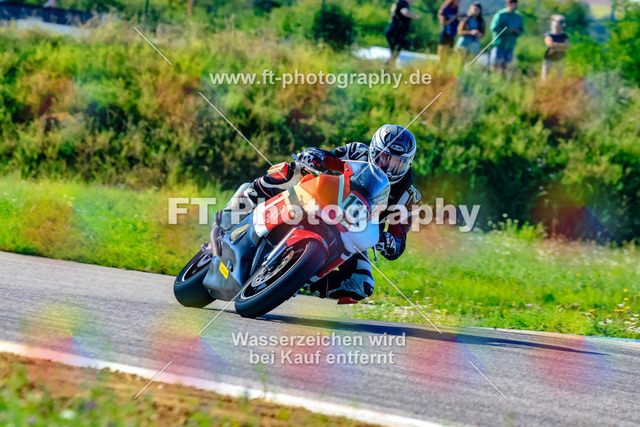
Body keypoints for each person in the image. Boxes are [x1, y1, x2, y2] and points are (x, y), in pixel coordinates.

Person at [220, 125, 422, 302]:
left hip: (354, 232)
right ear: (373, 150)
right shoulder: (357, 151)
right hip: (324, 200)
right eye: (385, 157)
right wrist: (314, 156)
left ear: (409, 163)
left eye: (399, 162)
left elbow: (399, 241)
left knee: (362, 284)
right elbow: (328, 157)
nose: (390, 167)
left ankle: (299, 281)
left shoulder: (409, 197)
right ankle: (233, 212)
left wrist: (388, 242)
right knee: (291, 170)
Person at [489, 0, 524, 74]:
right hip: (499, 45)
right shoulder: (501, 14)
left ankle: (502, 79)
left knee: (505, 66)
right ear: (509, 3)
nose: (516, 5)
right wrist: (508, 31)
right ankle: (492, 77)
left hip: (510, 46)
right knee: (495, 65)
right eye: (514, 3)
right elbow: (493, 28)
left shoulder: (518, 16)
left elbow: (521, 30)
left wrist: (516, 32)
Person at [385, 0, 420, 68]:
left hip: (392, 31)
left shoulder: (398, 3)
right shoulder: (403, 3)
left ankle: (388, 67)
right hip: (396, 32)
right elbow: (404, 12)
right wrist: (415, 16)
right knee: (396, 51)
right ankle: (387, 67)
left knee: (395, 51)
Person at [542, 15, 570, 80]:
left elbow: (568, 46)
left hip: (560, 59)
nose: (561, 26)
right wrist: (562, 46)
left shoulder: (564, 35)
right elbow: (550, 44)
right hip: (549, 58)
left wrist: (555, 46)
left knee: (558, 79)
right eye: (560, 23)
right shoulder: (548, 34)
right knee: (546, 78)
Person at [437, 0, 463, 64]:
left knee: (447, 59)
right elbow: (443, 23)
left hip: (452, 36)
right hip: (444, 35)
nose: (459, 2)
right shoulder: (446, 9)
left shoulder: (456, 9)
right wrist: (455, 16)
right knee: (441, 59)